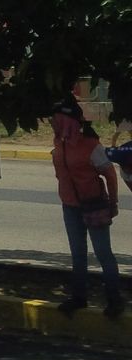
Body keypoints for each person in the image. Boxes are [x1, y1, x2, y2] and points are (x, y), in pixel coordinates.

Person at [50, 96, 122, 318]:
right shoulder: (59, 143)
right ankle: (79, 298)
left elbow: (109, 173)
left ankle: (114, 301)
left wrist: (113, 202)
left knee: (103, 254)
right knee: (78, 254)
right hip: (70, 206)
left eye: (57, 119)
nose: (53, 123)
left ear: (68, 121)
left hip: (94, 205)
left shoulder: (91, 145)